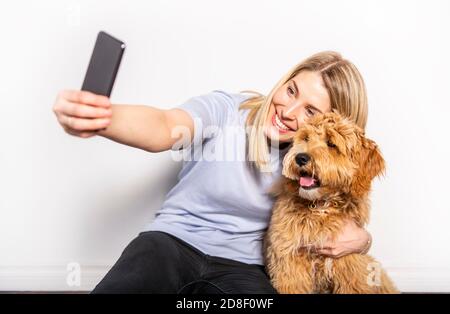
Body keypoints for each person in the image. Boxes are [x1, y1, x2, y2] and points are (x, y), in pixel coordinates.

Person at [52, 51, 372, 294]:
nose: (288, 112)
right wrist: (101, 118)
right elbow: (165, 126)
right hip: (171, 243)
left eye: (310, 111)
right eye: (291, 91)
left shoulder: (315, 167)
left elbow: (336, 215)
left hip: (245, 268)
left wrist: (363, 239)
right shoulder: (229, 110)